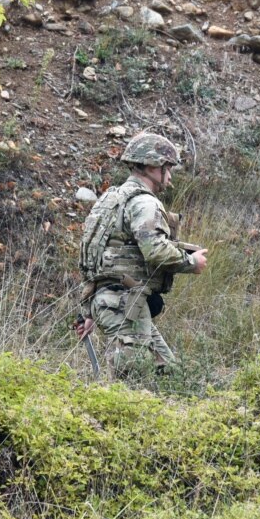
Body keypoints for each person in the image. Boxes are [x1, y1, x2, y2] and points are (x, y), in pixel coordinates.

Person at [76, 133, 208, 383]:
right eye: (166, 168)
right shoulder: (144, 203)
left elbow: (92, 257)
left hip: (114, 302)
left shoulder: (111, 199)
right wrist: (191, 262)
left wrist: (88, 310)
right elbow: (155, 250)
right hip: (125, 303)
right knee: (131, 382)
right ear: (150, 167)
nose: (169, 177)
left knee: (169, 373)